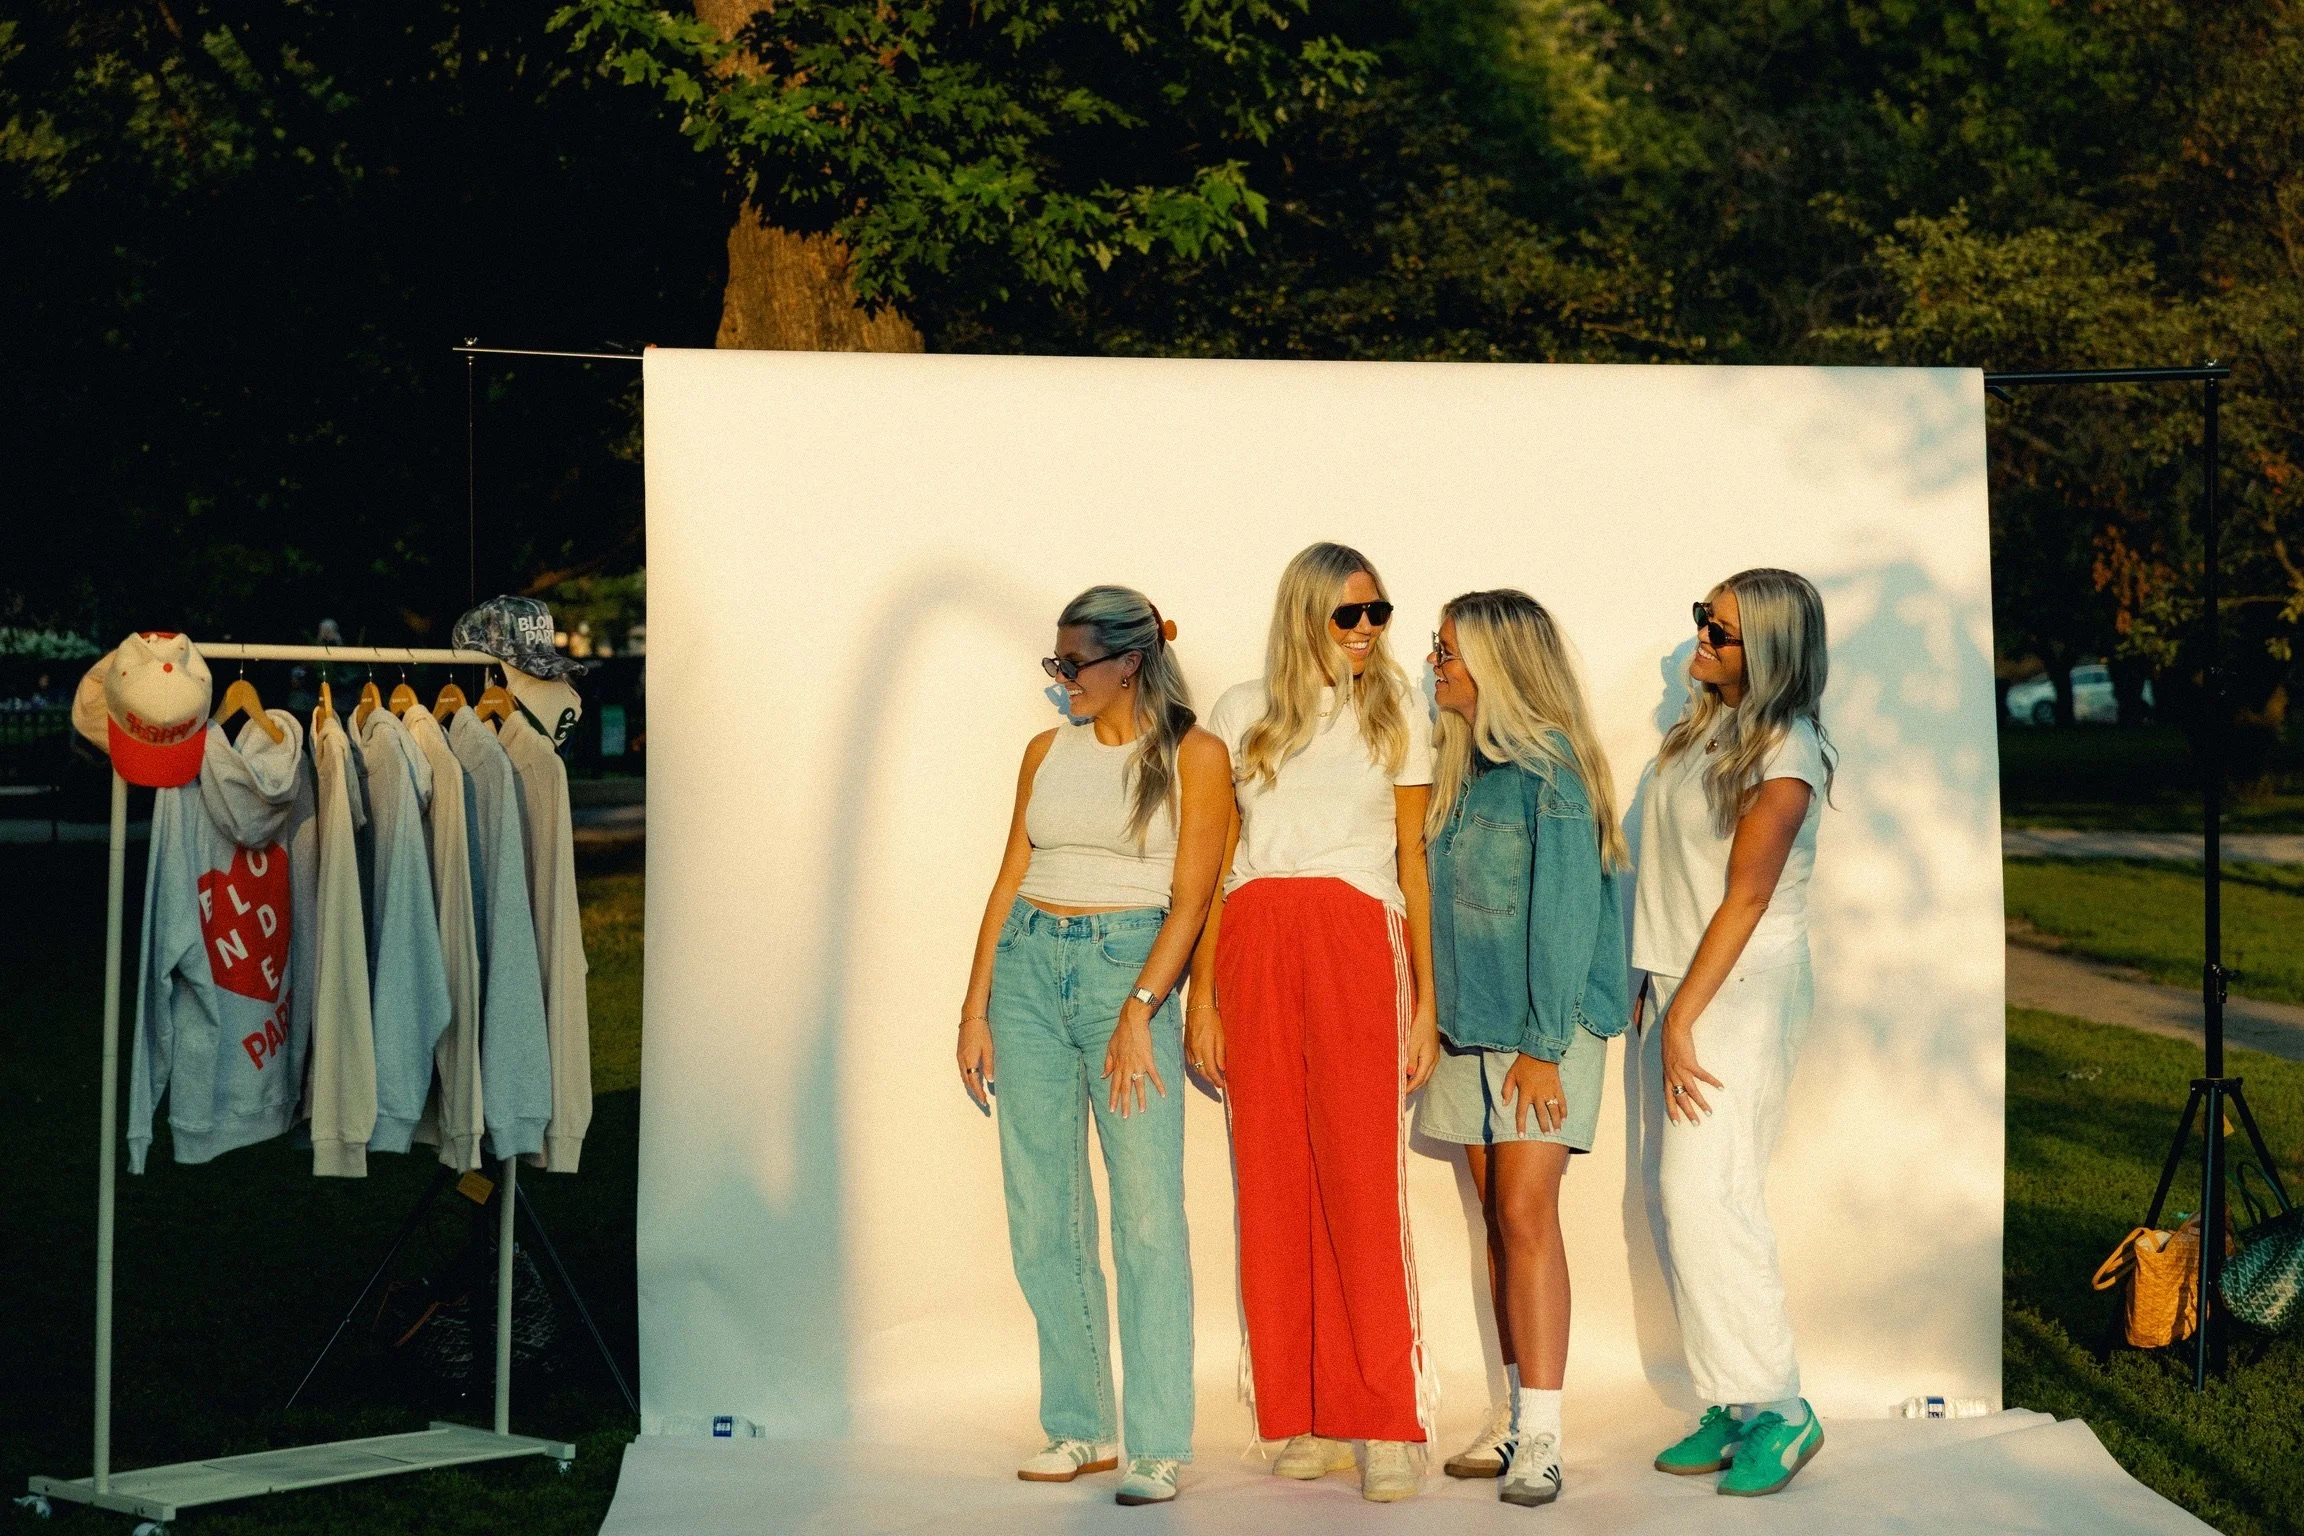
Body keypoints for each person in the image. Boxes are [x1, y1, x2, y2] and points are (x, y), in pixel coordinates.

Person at [956, 586, 1232, 1508]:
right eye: (1057, 663)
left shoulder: (1195, 755)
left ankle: (1157, 1441)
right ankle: (1080, 1425)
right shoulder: (1047, 752)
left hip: (1130, 975)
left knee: (1147, 1217)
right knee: (1044, 1209)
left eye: (1072, 664)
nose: (1060, 679)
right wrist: (975, 1007)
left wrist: (1142, 1007)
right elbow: (1009, 878)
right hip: (1028, 972)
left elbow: (1193, 899)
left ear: (1129, 663)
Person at [1188, 541, 1441, 1504]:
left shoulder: (1397, 711)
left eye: (1379, 612)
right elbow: (1216, 861)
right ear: (1306, 615)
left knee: (1360, 1181)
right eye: (1349, 614)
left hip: (1356, 935)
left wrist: (1425, 1001)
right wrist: (1203, 996)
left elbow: (1413, 862)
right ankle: (1304, 1414)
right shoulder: (1238, 712)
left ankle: (1387, 1421)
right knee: (1272, 1180)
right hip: (1256, 936)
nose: (1368, 630)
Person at [1417, 591, 1630, 1509]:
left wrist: (1543, 1048)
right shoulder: (1459, 770)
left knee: (1526, 1215)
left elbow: (1568, 921)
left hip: (1546, 1031)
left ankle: (1542, 1434)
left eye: (1449, 651)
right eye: (1436, 649)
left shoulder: (1554, 774)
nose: (1435, 664)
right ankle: (1513, 1411)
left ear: (1500, 663)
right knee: (1498, 1225)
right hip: (1470, 1027)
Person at [1634, 568, 1835, 1498]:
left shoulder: (1787, 751)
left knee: (1712, 1193)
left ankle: (1782, 1409)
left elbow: (1748, 897)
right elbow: (1671, 873)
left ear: (1774, 651)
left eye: (1722, 630)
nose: (1702, 639)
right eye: (1702, 621)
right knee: (1685, 1195)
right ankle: (1733, 1398)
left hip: (1740, 990)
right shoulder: (1702, 729)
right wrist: (1654, 980)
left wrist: (1685, 1012)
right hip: (1687, 978)